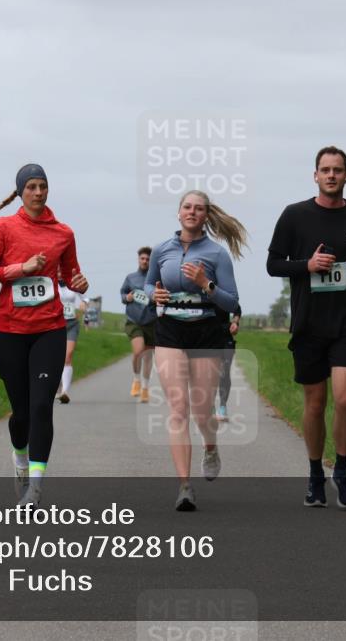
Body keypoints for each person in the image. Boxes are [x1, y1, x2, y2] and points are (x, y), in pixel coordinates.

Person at [266, 146, 346, 509]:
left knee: (345, 399)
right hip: (308, 321)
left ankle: (342, 470)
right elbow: (273, 264)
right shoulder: (294, 215)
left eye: (338, 170)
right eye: (326, 170)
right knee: (315, 404)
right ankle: (315, 473)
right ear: (315, 175)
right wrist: (308, 265)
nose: (332, 175)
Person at [0, 164, 88, 507]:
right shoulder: (4, 228)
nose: (38, 192)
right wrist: (20, 269)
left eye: (43, 186)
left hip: (49, 329)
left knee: (41, 407)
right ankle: (21, 461)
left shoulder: (63, 233)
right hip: (9, 331)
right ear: (21, 192)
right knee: (21, 413)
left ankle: (35, 488)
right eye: (32, 187)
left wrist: (80, 283)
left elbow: (72, 275)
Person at [146, 190, 246, 511]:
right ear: (178, 213)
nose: (192, 212)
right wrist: (154, 295)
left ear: (206, 216)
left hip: (206, 332)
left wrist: (206, 284)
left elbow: (232, 302)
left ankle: (210, 446)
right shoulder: (162, 249)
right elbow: (148, 284)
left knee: (202, 413)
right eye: (187, 207)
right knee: (178, 409)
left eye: (199, 208)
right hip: (170, 331)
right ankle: (185, 486)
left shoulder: (217, 254)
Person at [120, 246, 157, 403]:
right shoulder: (131, 278)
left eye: (148, 259)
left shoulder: (156, 279)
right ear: (138, 259)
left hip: (151, 321)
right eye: (142, 258)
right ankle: (136, 379)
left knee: (148, 357)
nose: (145, 261)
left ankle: (145, 388)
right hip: (133, 321)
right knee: (138, 350)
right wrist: (127, 298)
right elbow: (122, 294)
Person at [57, 269, 88, 404]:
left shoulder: (72, 283)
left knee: (68, 355)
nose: (59, 273)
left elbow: (85, 297)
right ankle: (57, 385)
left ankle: (65, 391)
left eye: (61, 270)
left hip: (71, 323)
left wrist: (83, 304)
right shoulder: (50, 283)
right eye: (57, 271)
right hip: (55, 323)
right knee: (56, 358)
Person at [214, 305, 242, 422]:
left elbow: (236, 309)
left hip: (225, 336)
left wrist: (235, 322)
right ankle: (209, 406)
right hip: (205, 336)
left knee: (224, 373)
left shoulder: (225, 294)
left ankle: (222, 406)